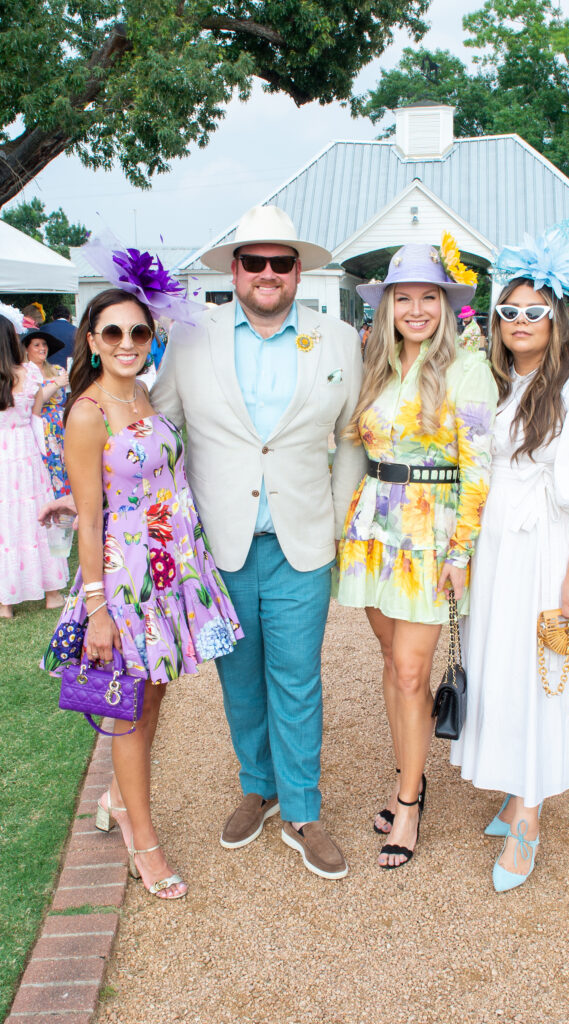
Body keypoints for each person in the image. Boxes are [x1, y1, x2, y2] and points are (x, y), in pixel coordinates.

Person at [152, 204, 366, 880]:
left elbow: (354, 438)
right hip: (222, 548)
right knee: (238, 679)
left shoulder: (336, 340)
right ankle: (259, 786)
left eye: (280, 262)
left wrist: (333, 520)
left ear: (297, 271)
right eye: (254, 262)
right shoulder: (191, 339)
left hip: (302, 543)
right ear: (235, 271)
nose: (267, 273)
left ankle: (303, 809)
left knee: (297, 680)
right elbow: (159, 425)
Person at [450, 230, 569, 891]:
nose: (519, 323)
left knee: (540, 679)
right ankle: (514, 791)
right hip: (503, 555)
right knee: (503, 673)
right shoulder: (509, 384)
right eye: (508, 312)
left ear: (559, 318)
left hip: (549, 557)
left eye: (534, 311)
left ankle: (529, 815)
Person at [43, 284, 243, 900]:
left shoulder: (144, 394)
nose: (128, 344)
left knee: (152, 699)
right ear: (92, 341)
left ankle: (116, 797)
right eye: (114, 333)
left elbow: (135, 479)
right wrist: (99, 610)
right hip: (125, 580)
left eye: (138, 332)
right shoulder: (88, 411)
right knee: (128, 708)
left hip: (169, 566)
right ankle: (144, 840)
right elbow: (91, 520)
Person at [334, 241, 498, 869]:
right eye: (404, 298)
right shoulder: (375, 366)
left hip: (433, 537)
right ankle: (412, 772)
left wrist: (463, 550)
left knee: (410, 670)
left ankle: (407, 804)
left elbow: (479, 468)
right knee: (391, 659)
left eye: (429, 297)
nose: (417, 308)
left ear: (446, 303)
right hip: (375, 533)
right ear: (387, 307)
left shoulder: (468, 368)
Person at [0, 314, 67, 618]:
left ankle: (5, 603)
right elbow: (36, 415)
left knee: (5, 522)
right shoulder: (29, 373)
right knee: (38, 517)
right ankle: (51, 593)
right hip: (26, 452)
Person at [22, 326, 71, 497]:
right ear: (27, 348)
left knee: (65, 463)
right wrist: (56, 384)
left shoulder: (57, 370)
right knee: (45, 464)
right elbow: (36, 400)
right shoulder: (24, 373)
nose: (42, 348)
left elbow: (65, 397)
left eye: (44, 344)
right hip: (38, 426)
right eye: (36, 345)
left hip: (60, 425)